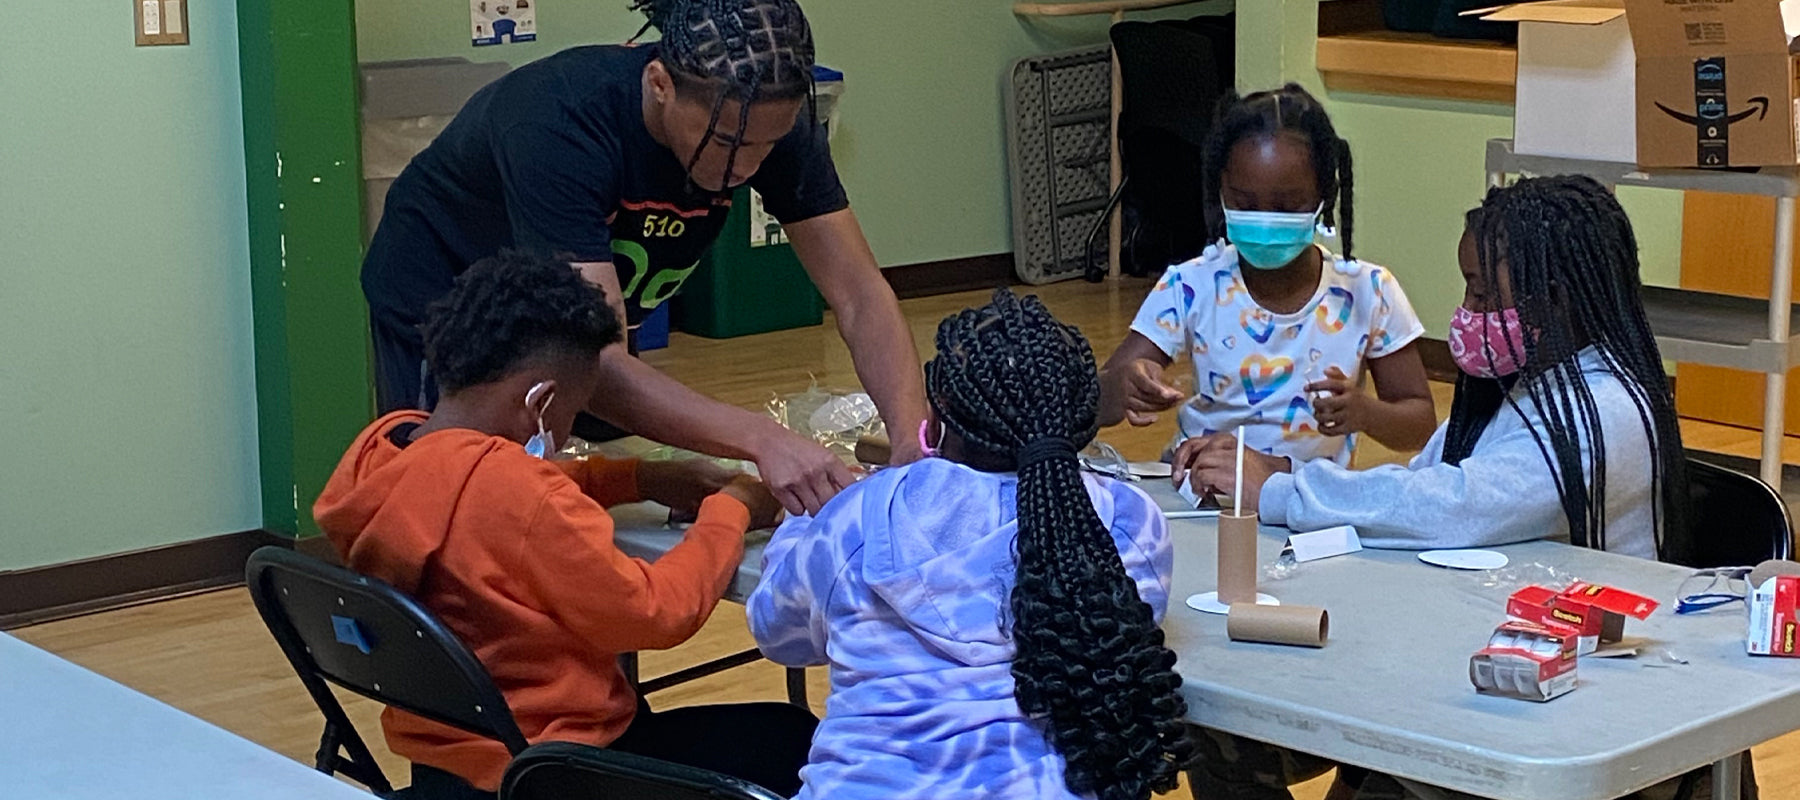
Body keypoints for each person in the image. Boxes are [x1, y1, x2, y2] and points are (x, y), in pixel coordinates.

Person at [1177, 175, 1716, 800]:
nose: (1468, 312)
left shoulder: (1610, 412)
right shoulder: (1516, 387)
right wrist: (1285, 476)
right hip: (1468, 657)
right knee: (1216, 728)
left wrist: (1281, 490)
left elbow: (1458, 508)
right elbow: (1419, 489)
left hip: (1565, 703)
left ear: (1560, 299)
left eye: (1485, 294)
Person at [361, 0, 929, 516]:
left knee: (586, 487)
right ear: (659, 83)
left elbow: (859, 294)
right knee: (455, 491)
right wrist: (762, 438)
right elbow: (597, 360)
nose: (750, 166)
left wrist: (912, 442)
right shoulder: (559, 121)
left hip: (578, 313)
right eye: (730, 142)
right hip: (446, 294)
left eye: (768, 145)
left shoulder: (768, 123)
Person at [316, 250, 815, 799]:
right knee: (793, 739)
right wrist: (733, 506)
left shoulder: (382, 452)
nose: (566, 429)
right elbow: (658, 613)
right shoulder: (519, 495)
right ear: (541, 400)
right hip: (555, 767)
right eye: (571, 414)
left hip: (448, 759)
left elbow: (475, 487)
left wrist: (638, 478)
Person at [747, 290, 1193, 800]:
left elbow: (777, 634)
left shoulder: (861, 519)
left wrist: (803, 527)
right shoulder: (1127, 523)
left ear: (934, 423)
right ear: (1078, 420)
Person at [1100, 84, 1436, 467]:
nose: (1263, 218)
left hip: (1307, 502)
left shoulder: (1368, 292)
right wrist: (1124, 386)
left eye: (1287, 206)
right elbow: (1091, 399)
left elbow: (1421, 422)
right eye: (1244, 203)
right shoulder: (1191, 286)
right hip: (1205, 494)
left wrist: (1365, 413)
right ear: (1220, 192)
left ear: (1325, 197)